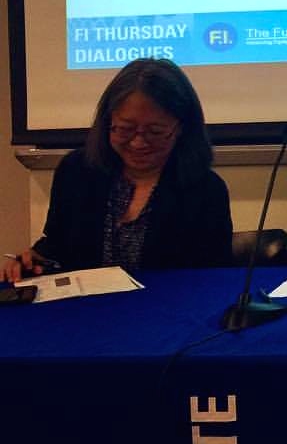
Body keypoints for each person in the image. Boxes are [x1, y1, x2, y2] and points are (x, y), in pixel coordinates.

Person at [1, 58, 232, 283]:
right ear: (107, 122)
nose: (138, 143)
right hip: (85, 306)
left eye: (155, 131)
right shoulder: (75, 171)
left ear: (181, 128)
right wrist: (32, 261)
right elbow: (57, 246)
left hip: (168, 306)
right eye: (125, 129)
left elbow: (212, 279)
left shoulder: (206, 191)